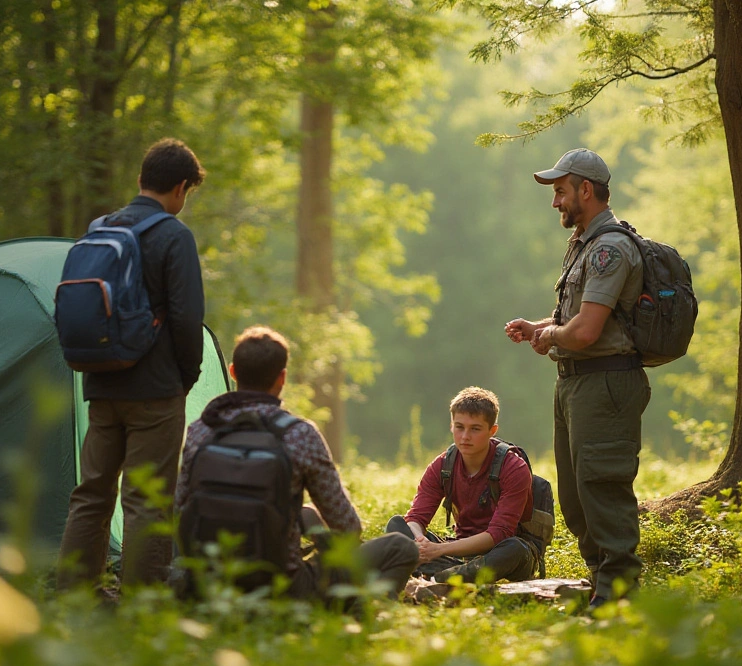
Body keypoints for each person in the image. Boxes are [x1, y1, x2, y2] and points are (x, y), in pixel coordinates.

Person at [57, 138, 207, 592]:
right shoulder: (173, 236)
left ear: (142, 179)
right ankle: (141, 599)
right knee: (146, 498)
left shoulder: (99, 228)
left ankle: (74, 591)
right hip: (154, 390)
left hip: (101, 383)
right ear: (180, 188)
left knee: (92, 493)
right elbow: (186, 317)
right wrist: (187, 376)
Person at [504, 148, 650, 609]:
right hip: (576, 383)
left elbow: (585, 332)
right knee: (575, 493)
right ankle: (600, 580)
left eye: (561, 191)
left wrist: (552, 337)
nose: (555, 202)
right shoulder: (584, 243)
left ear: (586, 190)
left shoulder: (609, 248)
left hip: (604, 385)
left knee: (602, 486)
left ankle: (618, 594)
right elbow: (576, 318)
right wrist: (540, 327)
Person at [175, 326, 419, 600]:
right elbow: (347, 526)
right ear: (282, 378)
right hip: (283, 589)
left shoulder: (201, 430)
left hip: (210, 585)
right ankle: (363, 610)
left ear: (232, 372)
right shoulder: (298, 434)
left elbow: (179, 508)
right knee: (401, 547)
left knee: (305, 513)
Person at [384, 387, 539, 584]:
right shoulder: (441, 466)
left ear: (492, 431)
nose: (465, 436)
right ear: (451, 426)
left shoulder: (514, 467)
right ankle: (455, 574)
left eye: (475, 429)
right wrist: (420, 542)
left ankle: (439, 575)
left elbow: (499, 534)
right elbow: (416, 518)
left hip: (501, 551)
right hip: (458, 552)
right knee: (397, 526)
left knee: (513, 549)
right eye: (459, 427)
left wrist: (439, 550)